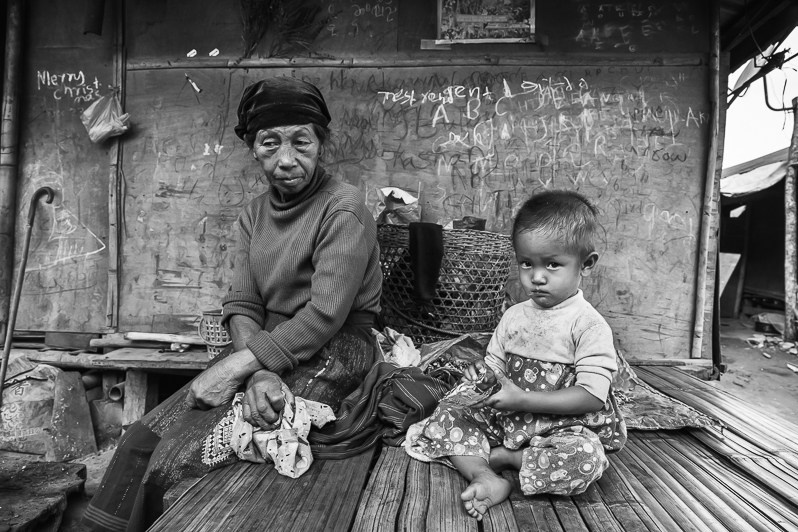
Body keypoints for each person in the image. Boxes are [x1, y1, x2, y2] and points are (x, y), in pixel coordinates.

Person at [83, 76, 383, 531]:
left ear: (322, 142)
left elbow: (324, 315)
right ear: (252, 148)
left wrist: (235, 366)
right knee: (142, 439)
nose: (286, 160)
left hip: (336, 345)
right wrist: (258, 368)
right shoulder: (254, 214)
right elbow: (242, 302)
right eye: (269, 144)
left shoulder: (343, 210)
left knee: (183, 458)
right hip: (263, 346)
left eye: (302, 142)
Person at [409, 190, 627, 520]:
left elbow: (591, 398)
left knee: (586, 458)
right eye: (527, 263)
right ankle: (485, 477)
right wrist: (482, 378)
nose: (536, 277)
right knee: (445, 414)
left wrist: (521, 399)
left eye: (553, 264)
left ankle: (508, 459)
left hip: (562, 428)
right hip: (508, 419)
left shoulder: (588, 324)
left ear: (586, 264)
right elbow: (494, 368)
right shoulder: (514, 316)